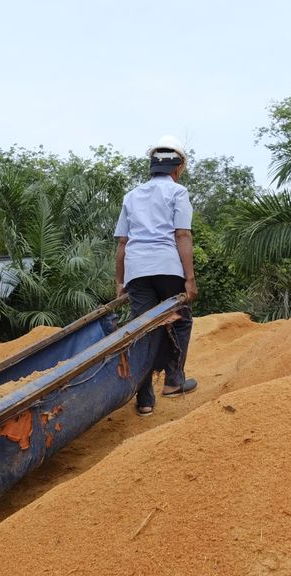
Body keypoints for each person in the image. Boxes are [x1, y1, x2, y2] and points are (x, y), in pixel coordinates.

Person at [114, 134, 199, 417]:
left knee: (142, 329)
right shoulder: (178, 193)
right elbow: (182, 234)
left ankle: (145, 399)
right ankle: (174, 380)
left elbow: (123, 243)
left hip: (137, 271)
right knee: (181, 321)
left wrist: (119, 281)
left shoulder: (132, 196)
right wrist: (189, 278)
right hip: (168, 267)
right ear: (177, 169)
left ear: (152, 168)